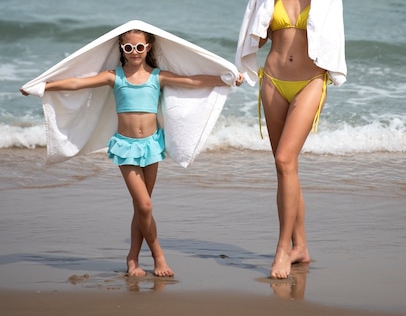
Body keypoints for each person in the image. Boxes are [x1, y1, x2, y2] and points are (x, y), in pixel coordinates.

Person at [21, 28, 244, 279]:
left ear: (148, 48)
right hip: (126, 146)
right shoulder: (114, 76)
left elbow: (192, 81)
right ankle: (158, 256)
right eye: (129, 48)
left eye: (139, 47)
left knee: (142, 207)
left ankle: (132, 259)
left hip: (151, 145)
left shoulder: (157, 76)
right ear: (122, 50)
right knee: (145, 205)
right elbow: (77, 83)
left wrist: (225, 78)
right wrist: (43, 87)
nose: (134, 52)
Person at [235, 0, 346, 280]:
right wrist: (239, 63)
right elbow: (258, 31)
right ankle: (301, 245)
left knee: (285, 160)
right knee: (286, 167)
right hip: (273, 81)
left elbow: (332, 39)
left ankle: (282, 250)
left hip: (310, 82)